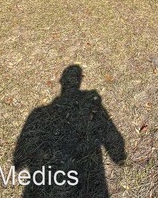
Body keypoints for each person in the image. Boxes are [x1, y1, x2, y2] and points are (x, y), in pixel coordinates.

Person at [14, 65, 126, 197]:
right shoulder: (91, 100)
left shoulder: (38, 113)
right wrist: (118, 155)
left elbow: (20, 157)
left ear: (61, 81)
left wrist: (19, 163)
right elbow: (108, 129)